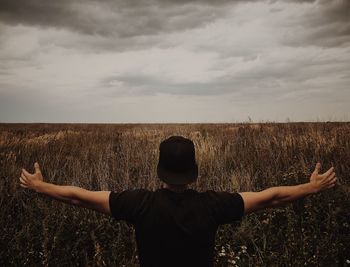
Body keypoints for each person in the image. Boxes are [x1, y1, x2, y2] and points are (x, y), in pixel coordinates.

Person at [19, 136, 337, 267]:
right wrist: (310, 188)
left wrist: (40, 186)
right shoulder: (214, 205)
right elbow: (271, 198)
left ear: (160, 171)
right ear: (194, 173)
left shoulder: (138, 204)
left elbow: (79, 198)